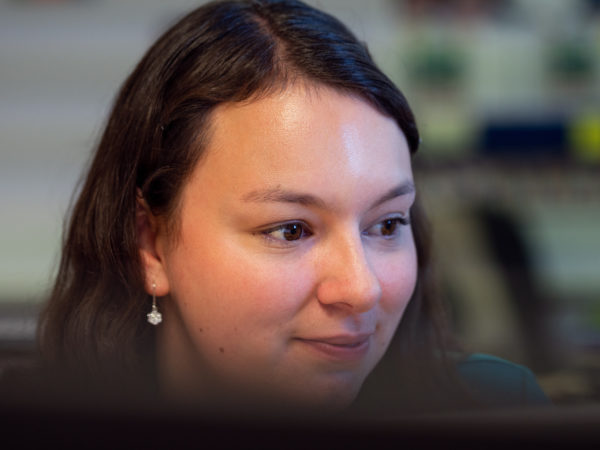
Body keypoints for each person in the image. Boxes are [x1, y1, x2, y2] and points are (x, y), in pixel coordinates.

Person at [31, 0, 547, 416]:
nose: (361, 289)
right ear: (150, 245)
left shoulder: (493, 411)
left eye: (387, 223)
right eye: (291, 230)